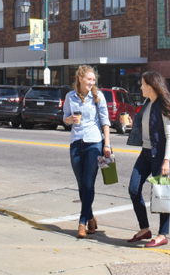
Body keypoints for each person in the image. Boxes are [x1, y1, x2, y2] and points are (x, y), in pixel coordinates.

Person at [127, 71, 170, 248]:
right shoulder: (148, 103)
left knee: (162, 194)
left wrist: (166, 161)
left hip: (160, 155)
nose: (140, 87)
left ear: (150, 85)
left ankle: (163, 234)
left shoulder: (163, 106)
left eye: (142, 84)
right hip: (146, 153)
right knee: (134, 189)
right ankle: (144, 228)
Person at [63, 65, 111, 239]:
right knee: (81, 185)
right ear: (80, 79)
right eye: (89, 79)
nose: (92, 82)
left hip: (94, 142)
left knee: (89, 184)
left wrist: (107, 144)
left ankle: (82, 221)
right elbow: (65, 119)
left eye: (93, 80)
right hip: (76, 142)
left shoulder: (98, 97)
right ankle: (91, 217)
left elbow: (105, 122)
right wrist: (70, 119)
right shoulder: (70, 97)